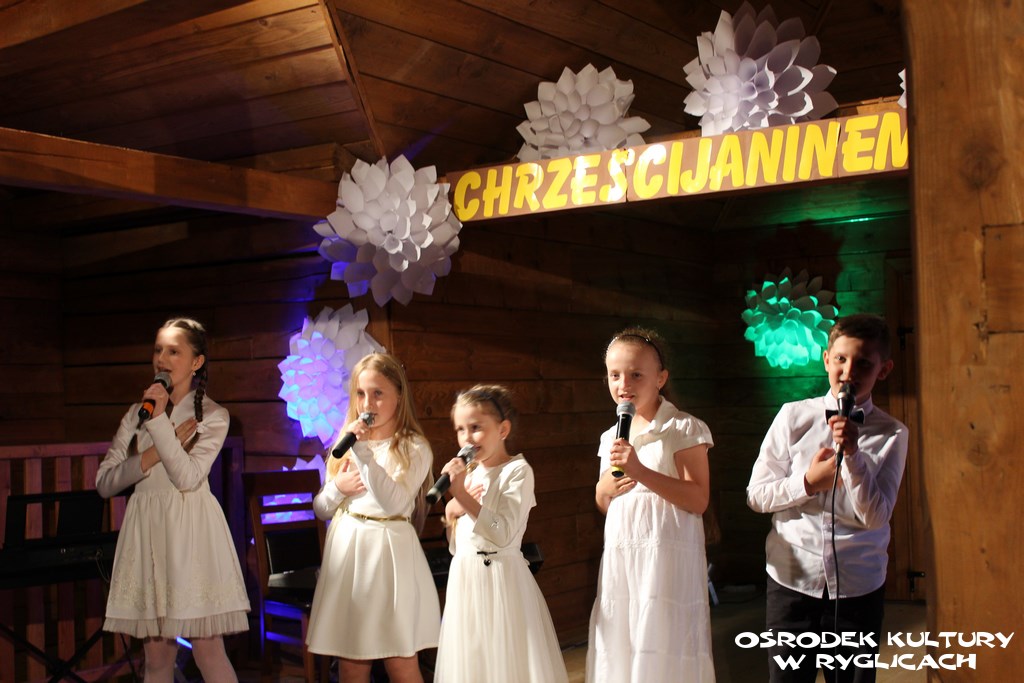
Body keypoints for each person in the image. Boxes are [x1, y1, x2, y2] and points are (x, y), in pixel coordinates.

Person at [746, 313, 909, 683]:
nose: (849, 372)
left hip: (857, 586)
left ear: (883, 370)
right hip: (791, 581)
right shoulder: (792, 417)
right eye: (840, 359)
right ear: (826, 359)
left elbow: (876, 516)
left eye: (863, 363)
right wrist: (807, 483)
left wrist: (853, 456)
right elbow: (756, 496)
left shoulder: (893, 433)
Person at [96, 317, 249, 683]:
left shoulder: (213, 415)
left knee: (208, 652)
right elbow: (105, 483)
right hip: (148, 532)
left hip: (190, 533)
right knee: (156, 658)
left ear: (196, 362)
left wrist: (159, 423)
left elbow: (187, 477)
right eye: (158, 350)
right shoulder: (136, 414)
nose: (162, 359)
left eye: (174, 352)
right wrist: (152, 452)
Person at [586, 327, 715, 683]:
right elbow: (609, 504)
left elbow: (698, 499)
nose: (623, 384)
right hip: (624, 559)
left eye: (636, 375)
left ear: (660, 378)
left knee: (663, 641)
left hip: (665, 559)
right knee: (623, 643)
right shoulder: (611, 436)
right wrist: (602, 489)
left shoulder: (683, 428)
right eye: (614, 375)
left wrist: (640, 470)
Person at [305, 352, 439, 683]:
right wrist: (337, 488)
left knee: (400, 661)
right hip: (349, 554)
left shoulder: (413, 447)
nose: (368, 403)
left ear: (399, 396)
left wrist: (363, 453)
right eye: (361, 393)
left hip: (388, 555)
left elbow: (394, 503)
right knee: (352, 664)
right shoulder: (346, 443)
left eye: (378, 393)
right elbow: (321, 508)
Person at [434, 385, 568, 683]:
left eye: (476, 428)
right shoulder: (469, 474)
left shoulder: (517, 471)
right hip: (466, 579)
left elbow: (502, 533)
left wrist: (462, 498)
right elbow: (458, 545)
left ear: (503, 429)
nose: (467, 438)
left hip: (501, 580)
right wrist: (451, 512)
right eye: (460, 430)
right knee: (473, 662)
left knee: (506, 663)